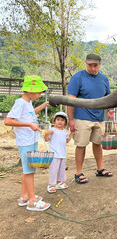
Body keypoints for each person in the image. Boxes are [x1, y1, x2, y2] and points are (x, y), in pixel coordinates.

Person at [4, 75, 51, 211]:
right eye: (38, 91)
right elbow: (8, 121)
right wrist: (29, 125)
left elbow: (30, 114)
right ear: (29, 91)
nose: (40, 94)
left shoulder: (28, 103)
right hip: (25, 141)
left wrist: (43, 105)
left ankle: (24, 196)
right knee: (30, 171)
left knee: (27, 169)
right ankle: (32, 201)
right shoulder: (20, 102)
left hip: (31, 139)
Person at [67, 53, 113, 184]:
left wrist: (110, 110)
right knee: (81, 145)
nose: (93, 68)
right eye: (90, 65)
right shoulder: (78, 77)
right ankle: (78, 172)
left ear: (99, 64)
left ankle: (100, 168)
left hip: (99, 117)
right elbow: (71, 100)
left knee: (98, 144)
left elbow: (108, 98)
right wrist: (71, 120)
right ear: (85, 63)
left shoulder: (104, 79)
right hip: (82, 117)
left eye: (95, 65)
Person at [44, 112, 74, 193]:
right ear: (54, 121)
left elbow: (66, 141)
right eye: (58, 120)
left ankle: (58, 183)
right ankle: (51, 185)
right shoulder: (51, 130)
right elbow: (46, 140)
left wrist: (71, 134)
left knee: (61, 169)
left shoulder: (64, 132)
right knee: (53, 170)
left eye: (62, 120)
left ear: (65, 123)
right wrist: (46, 134)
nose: (60, 121)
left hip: (62, 154)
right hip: (54, 154)